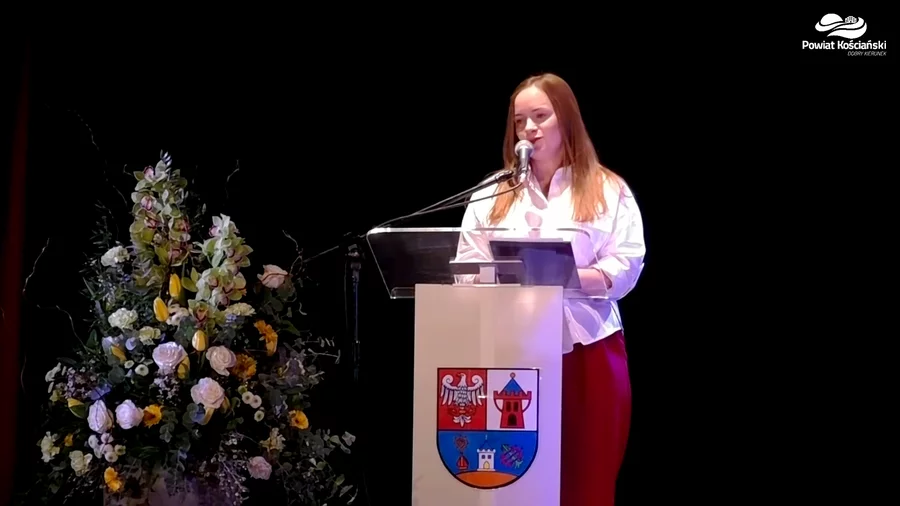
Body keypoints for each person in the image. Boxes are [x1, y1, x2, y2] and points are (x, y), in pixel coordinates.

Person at [454, 73, 646, 505]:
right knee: (513, 482)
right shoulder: (492, 193)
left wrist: (566, 276)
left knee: (587, 479)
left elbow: (627, 263)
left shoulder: (607, 188)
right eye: (520, 121)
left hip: (587, 350)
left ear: (567, 120)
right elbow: (466, 265)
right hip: (508, 353)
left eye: (541, 116)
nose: (529, 129)